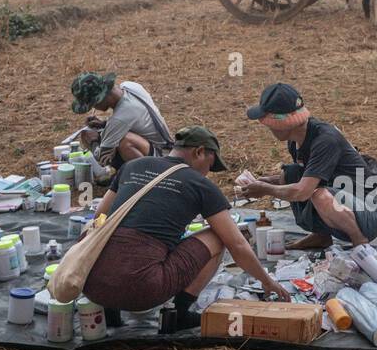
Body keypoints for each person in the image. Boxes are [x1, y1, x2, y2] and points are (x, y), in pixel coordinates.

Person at [83, 125, 289, 328]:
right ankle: (179, 313)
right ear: (199, 152)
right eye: (210, 165)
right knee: (218, 236)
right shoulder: (200, 184)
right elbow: (238, 245)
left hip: (91, 284)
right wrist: (266, 280)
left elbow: (99, 217)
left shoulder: (132, 166)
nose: (208, 173)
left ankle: (109, 309)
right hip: (143, 290)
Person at [238, 82, 377, 249]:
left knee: (319, 195)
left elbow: (303, 192)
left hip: (368, 212)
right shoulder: (296, 140)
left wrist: (265, 189)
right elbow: (309, 175)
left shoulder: (325, 140)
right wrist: (264, 182)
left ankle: (361, 245)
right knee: (289, 174)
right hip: (345, 202)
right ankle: (321, 237)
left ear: (280, 122)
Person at [69, 72, 174, 178]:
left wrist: (93, 141)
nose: (94, 108)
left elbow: (102, 157)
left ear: (101, 98)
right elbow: (135, 120)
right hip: (163, 146)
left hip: (162, 158)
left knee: (125, 142)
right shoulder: (129, 86)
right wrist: (105, 124)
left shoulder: (120, 117)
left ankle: (146, 177)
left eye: (93, 104)